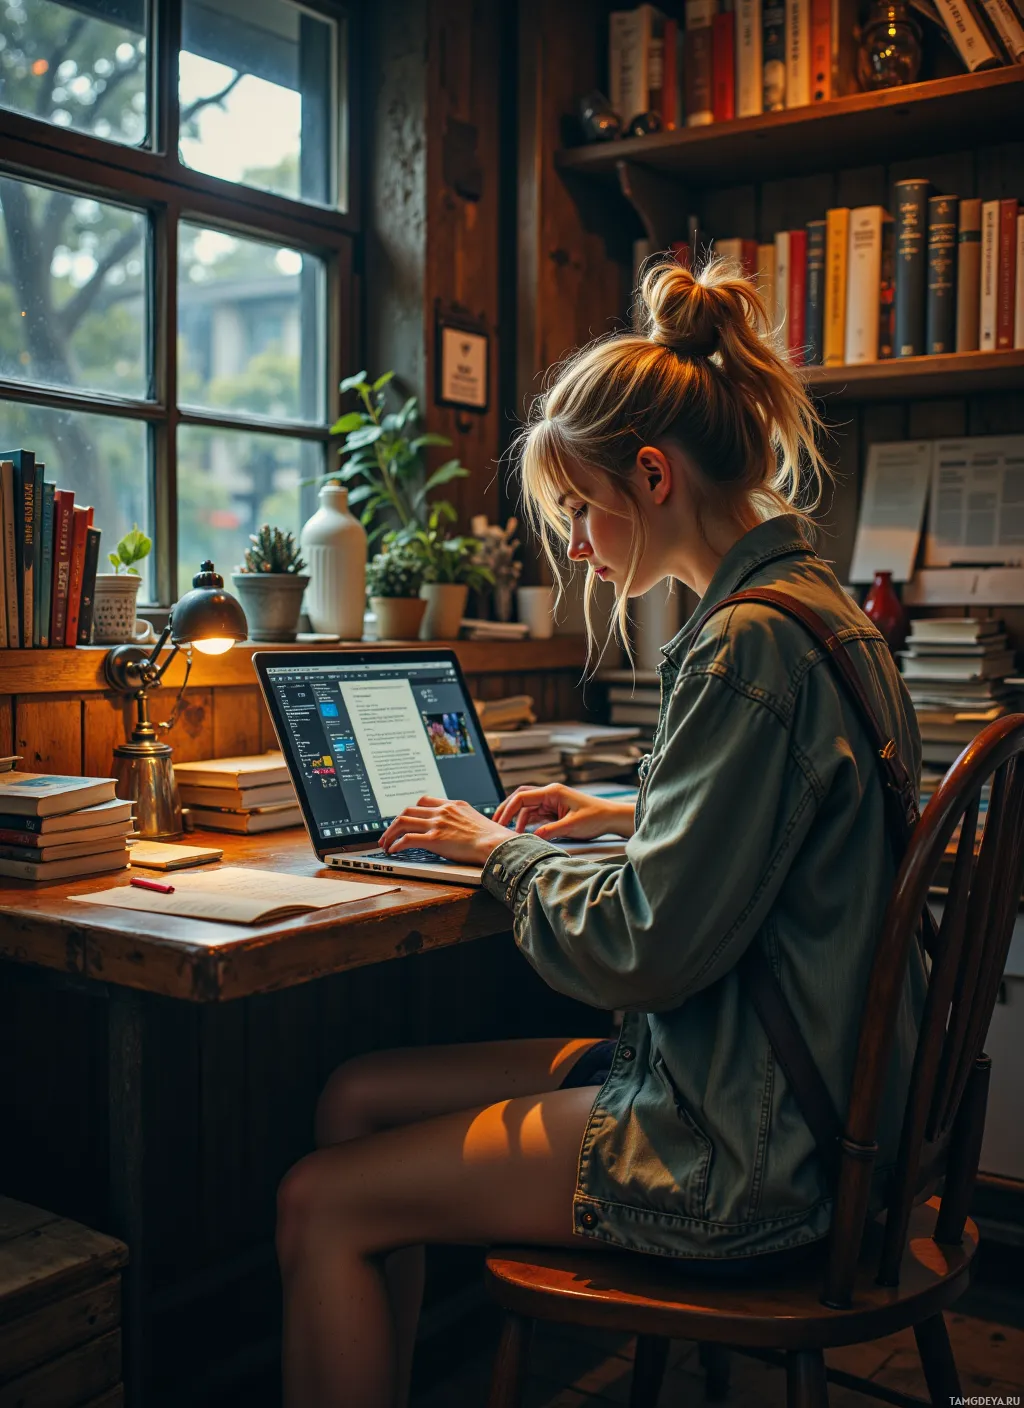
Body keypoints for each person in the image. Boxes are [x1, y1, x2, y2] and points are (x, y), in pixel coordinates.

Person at [275, 258, 926, 1408]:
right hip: (801, 1101)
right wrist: (623, 809)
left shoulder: (744, 645)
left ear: (653, 475)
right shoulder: (821, 614)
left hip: (743, 1144)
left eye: (579, 507)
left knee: (319, 1200)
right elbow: (799, 820)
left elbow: (642, 947)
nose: (576, 543)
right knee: (354, 1097)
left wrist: (499, 851)